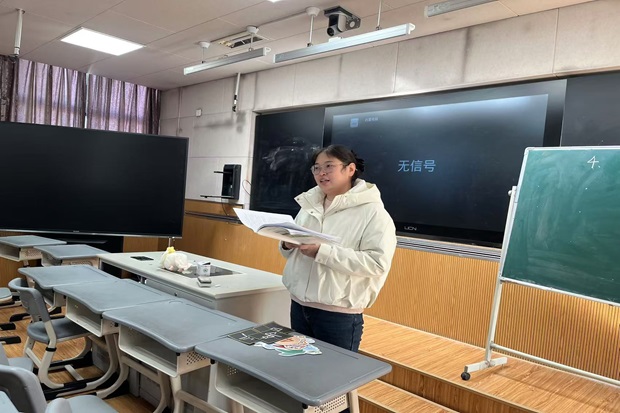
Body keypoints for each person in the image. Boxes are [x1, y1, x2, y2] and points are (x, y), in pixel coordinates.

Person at [279, 144, 397, 353]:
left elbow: (377, 263)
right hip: (298, 305)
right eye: (316, 168)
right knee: (301, 367)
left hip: (338, 314)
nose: (321, 173)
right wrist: (286, 244)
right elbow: (290, 253)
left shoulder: (373, 212)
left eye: (329, 166)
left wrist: (321, 252)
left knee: (336, 371)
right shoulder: (309, 205)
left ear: (350, 169)